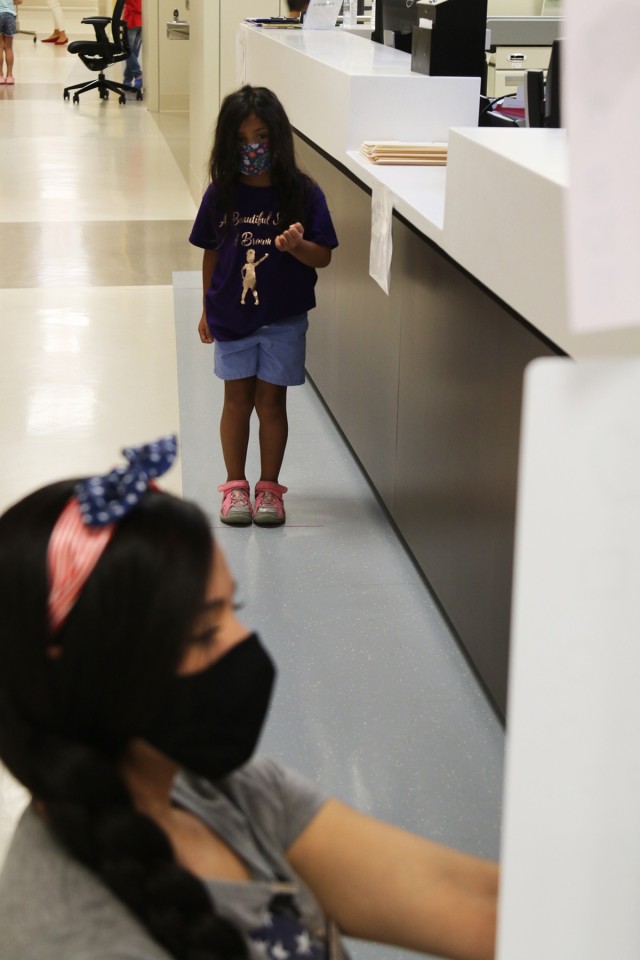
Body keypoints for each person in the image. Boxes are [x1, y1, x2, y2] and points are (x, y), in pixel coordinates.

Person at [0, 437, 499, 960]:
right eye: (201, 634)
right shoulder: (70, 938)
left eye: (231, 608)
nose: (244, 644)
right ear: (94, 671)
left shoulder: (211, 791)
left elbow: (467, 900)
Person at [190, 86, 339, 528]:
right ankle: (235, 487)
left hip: (283, 318)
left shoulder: (303, 193)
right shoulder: (222, 193)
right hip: (233, 316)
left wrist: (297, 247)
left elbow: (324, 256)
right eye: (241, 140)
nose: (252, 148)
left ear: (278, 138)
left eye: (261, 136)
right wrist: (206, 308)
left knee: (272, 403)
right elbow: (211, 252)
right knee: (236, 402)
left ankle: (269, 489)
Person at [0, 0, 21, 85]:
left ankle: (0, 76)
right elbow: (19, 1)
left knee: (0, 47)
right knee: (8, 47)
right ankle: (9, 76)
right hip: (10, 15)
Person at [122, 0, 142, 90]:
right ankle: (127, 80)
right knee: (133, 52)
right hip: (142, 20)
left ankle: (138, 74)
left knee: (128, 51)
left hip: (131, 20)